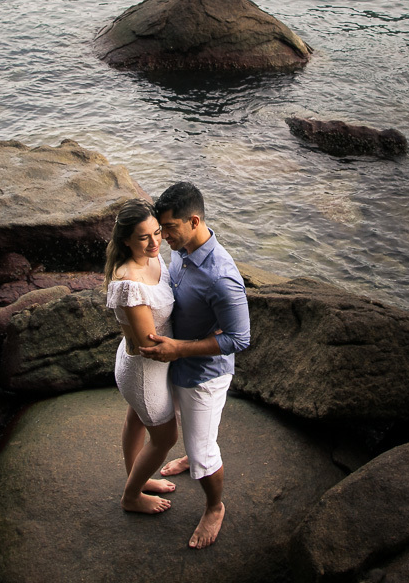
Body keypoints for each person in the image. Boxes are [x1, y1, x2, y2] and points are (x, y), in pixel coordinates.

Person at [140, 182, 250, 549]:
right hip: (176, 363)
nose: (162, 237)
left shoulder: (221, 276)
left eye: (168, 228)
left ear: (194, 220)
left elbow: (240, 339)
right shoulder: (181, 249)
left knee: (204, 453)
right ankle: (192, 451)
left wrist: (180, 349)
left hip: (203, 376)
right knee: (192, 436)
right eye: (160, 228)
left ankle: (215, 506)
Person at [104, 198, 178, 514]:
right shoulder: (129, 281)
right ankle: (131, 497)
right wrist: (203, 345)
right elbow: (151, 342)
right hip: (145, 370)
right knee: (164, 439)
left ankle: (137, 476)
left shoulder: (154, 257)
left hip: (147, 366)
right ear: (125, 241)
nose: (154, 242)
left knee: (136, 420)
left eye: (157, 232)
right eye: (144, 237)